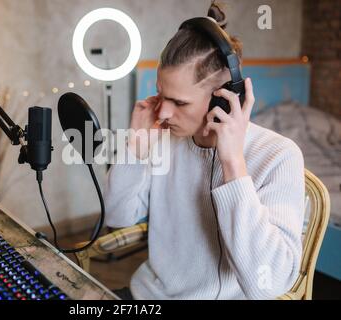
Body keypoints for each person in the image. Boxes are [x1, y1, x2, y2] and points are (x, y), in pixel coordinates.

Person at [106, 2, 305, 300]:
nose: (163, 113)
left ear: (223, 101)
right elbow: (117, 216)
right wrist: (134, 149)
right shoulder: (164, 138)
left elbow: (269, 283)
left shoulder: (279, 156)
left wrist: (233, 163)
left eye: (180, 102)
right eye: (161, 95)